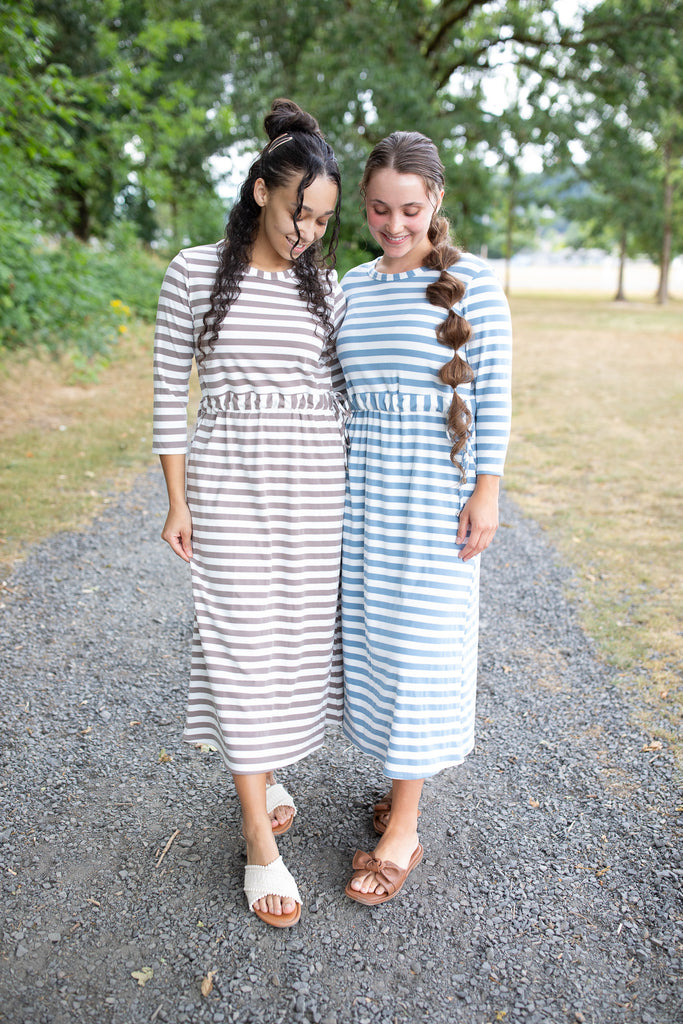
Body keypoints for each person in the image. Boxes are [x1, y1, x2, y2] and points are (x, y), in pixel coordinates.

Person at [152, 99, 346, 928]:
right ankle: (258, 841)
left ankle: (266, 773)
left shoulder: (325, 287)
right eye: (300, 213)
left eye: (323, 221)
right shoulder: (193, 273)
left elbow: (342, 395)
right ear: (262, 190)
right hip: (229, 492)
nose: (309, 232)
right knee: (236, 645)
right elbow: (168, 392)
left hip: (314, 493)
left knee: (291, 648)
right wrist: (176, 500)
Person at [336, 131, 512, 905]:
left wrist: (486, 491)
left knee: (418, 648)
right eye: (379, 209)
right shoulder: (352, 285)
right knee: (373, 644)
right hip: (359, 492)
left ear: (435, 199)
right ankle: (394, 786)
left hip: (434, 494)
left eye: (409, 209)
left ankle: (404, 826)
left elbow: (493, 393)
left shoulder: (474, 284)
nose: (394, 225)